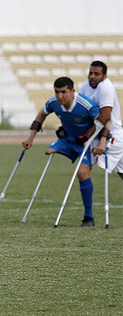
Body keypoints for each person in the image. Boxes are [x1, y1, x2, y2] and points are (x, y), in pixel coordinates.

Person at [22, 76, 101, 226]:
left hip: (86, 143)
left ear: (72, 91)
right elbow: (41, 115)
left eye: (64, 92)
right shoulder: (53, 102)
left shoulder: (85, 104)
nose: (60, 96)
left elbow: (101, 121)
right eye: (57, 92)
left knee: (82, 173)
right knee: (49, 151)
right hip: (67, 140)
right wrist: (30, 138)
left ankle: (88, 216)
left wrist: (88, 136)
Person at [80, 60, 123, 183]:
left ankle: (87, 200)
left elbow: (105, 116)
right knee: (122, 172)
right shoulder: (85, 85)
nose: (92, 76)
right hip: (100, 134)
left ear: (104, 76)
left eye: (96, 74)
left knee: (84, 167)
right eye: (90, 73)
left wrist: (88, 134)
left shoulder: (106, 87)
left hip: (112, 135)